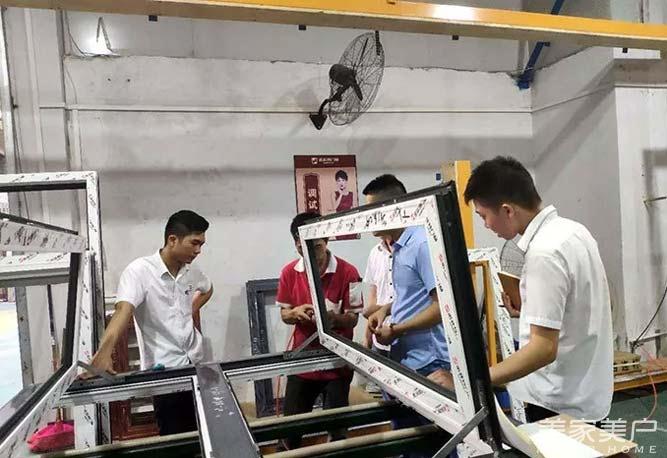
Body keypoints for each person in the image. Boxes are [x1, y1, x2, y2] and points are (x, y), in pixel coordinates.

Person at [463, 156, 613, 423]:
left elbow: (543, 349)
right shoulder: (574, 231)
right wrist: (529, 313)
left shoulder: (544, 252)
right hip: (585, 391)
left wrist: (477, 380)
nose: (486, 225)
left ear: (507, 210)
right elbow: (577, 307)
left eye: (484, 216)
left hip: (558, 402)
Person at [85, 210, 214, 435]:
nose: (198, 250)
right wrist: (104, 352)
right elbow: (123, 310)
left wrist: (188, 311)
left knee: (206, 432)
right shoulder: (140, 272)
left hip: (197, 363)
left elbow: (208, 289)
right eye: (194, 243)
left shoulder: (192, 271)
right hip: (165, 372)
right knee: (177, 439)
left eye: (201, 244)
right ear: (172, 240)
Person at [277, 212, 363, 449]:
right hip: (303, 362)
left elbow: (353, 319)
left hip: (337, 364)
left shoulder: (350, 272)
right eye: (302, 247)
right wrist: (296, 313)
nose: (310, 253)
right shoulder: (289, 272)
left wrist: (331, 319)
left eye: (316, 247)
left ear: (326, 240)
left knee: (337, 434)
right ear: (296, 244)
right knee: (289, 432)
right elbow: (284, 314)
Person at [366, 175, 453, 388]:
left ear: (393, 208)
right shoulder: (399, 247)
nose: (367, 218)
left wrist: (396, 330)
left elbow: (442, 307)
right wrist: (385, 310)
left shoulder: (421, 245)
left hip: (429, 361)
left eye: (372, 211)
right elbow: (413, 296)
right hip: (408, 357)